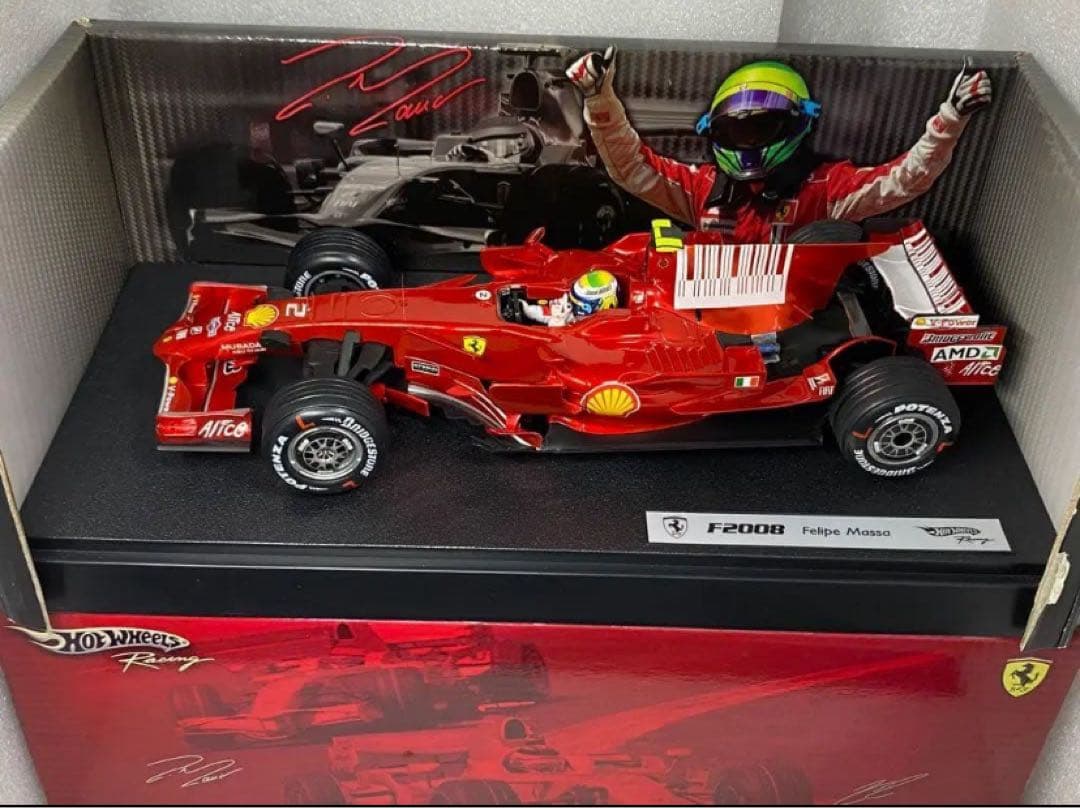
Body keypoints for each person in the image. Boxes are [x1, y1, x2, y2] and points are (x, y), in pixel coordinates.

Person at [565, 50, 992, 242]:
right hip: (714, 329)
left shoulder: (825, 189)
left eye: (761, 129)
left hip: (796, 333)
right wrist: (599, 100)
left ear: (796, 125)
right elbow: (632, 168)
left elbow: (904, 179)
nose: (748, 144)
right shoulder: (704, 188)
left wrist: (950, 118)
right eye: (736, 133)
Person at [520, 269, 619, 326]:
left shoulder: (600, 329)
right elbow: (547, 313)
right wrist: (527, 310)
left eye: (580, 303)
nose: (572, 304)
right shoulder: (571, 312)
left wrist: (558, 325)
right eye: (574, 299)